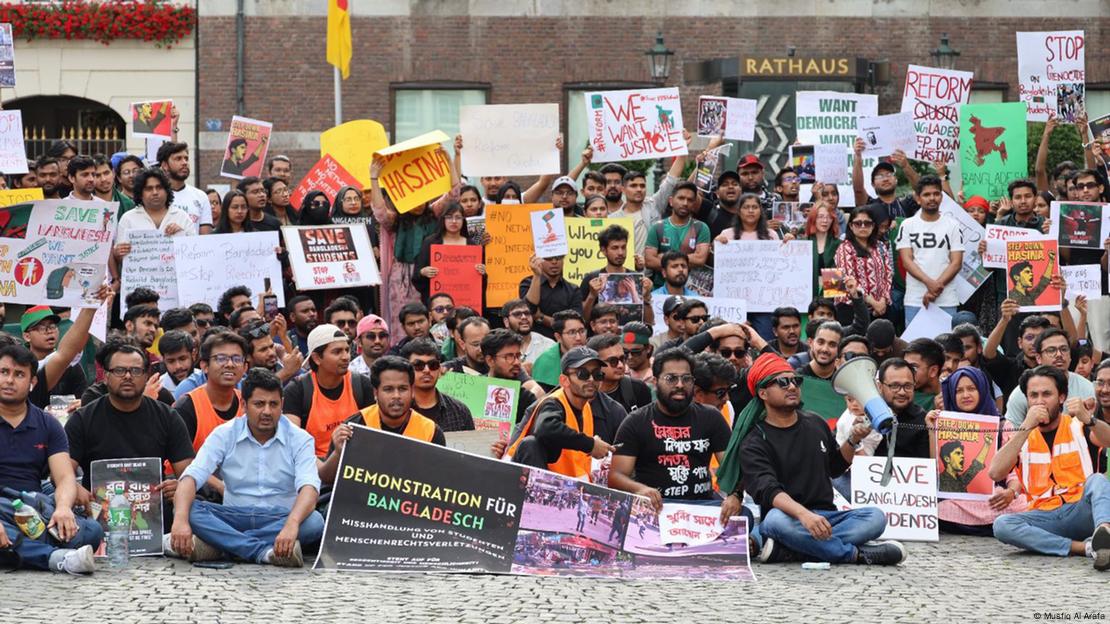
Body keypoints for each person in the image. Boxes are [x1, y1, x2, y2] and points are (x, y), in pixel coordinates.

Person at [717, 352, 904, 565]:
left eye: (796, 380)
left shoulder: (815, 422)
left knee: (876, 518)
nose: (792, 386)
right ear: (763, 393)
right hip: (788, 517)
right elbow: (769, 491)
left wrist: (853, 440)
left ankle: (790, 549)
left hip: (827, 517)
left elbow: (834, 467)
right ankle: (855, 555)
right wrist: (805, 516)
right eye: (782, 382)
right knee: (775, 521)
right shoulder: (754, 441)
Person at [168, 368, 322, 567]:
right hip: (233, 516)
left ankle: (222, 545)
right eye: (259, 404)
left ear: (282, 405)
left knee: (315, 522)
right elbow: (190, 477)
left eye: (273, 404)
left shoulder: (300, 438)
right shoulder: (224, 434)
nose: (267, 411)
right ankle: (263, 551)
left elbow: (309, 487)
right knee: (188, 510)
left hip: (281, 517)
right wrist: (180, 520)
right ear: (243, 405)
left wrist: (292, 524)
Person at [990, 366, 1110, 569]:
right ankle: (1086, 548)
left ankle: (1105, 532)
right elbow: (995, 472)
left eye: (1047, 394)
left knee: (1097, 480)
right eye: (1033, 395)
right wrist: (1025, 427)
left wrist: (1089, 419)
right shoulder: (1021, 436)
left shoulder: (1077, 425)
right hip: (1045, 515)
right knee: (1002, 525)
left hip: (1081, 509)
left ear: (1061, 397)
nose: (1039, 401)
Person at [65, 341, 195, 525]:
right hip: (96, 514)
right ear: (106, 376)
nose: (127, 376)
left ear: (146, 376)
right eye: (119, 371)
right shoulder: (83, 418)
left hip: (155, 515)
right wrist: (74, 487)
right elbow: (62, 472)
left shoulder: (168, 416)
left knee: (197, 511)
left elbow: (189, 473)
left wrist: (180, 486)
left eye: (135, 371)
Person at [0, 344, 101, 574]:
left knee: (92, 531)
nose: (9, 380)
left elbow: (65, 476)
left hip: (32, 507)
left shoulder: (48, 424)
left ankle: (16, 550)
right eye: (3, 372)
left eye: (18, 374)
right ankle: (56, 557)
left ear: (32, 382)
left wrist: (64, 508)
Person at [609, 348, 733, 514]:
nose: (680, 385)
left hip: (704, 507)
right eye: (671, 379)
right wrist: (641, 489)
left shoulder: (712, 417)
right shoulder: (636, 421)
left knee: (744, 513)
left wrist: (736, 496)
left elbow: (732, 468)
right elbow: (616, 476)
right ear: (655, 381)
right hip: (656, 508)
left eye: (686, 379)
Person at [924, 367, 1024, 536]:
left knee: (1020, 504)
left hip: (992, 495)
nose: (965, 395)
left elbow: (1013, 473)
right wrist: (932, 431)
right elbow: (938, 470)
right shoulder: (944, 423)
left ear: (983, 390)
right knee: (940, 507)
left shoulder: (1002, 426)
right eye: (959, 391)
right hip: (958, 499)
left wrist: (1011, 492)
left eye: (972, 389)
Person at [324, 356, 448, 483]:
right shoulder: (355, 426)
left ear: (412, 391)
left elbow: (438, 483)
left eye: (402, 389)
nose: (396, 396)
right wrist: (338, 453)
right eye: (388, 389)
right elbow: (326, 479)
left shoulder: (430, 431)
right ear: (376, 393)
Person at [504, 347, 618, 480]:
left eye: (598, 374)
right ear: (564, 380)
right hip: (518, 483)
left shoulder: (586, 406)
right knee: (531, 444)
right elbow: (546, 428)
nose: (591, 379)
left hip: (565, 486)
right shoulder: (553, 403)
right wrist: (590, 444)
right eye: (583, 374)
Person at [282, 324, 374, 457]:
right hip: (312, 466)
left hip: (354, 462)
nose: (345, 357)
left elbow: (372, 435)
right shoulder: (297, 390)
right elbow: (293, 443)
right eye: (337, 352)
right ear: (316, 358)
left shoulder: (361, 384)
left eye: (347, 350)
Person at [895, 175, 963, 323]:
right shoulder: (907, 225)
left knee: (946, 345)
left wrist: (935, 288)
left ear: (941, 196)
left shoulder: (953, 225)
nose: (932, 198)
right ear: (918, 198)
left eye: (936, 193)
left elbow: (956, 263)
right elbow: (906, 261)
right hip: (915, 299)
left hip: (947, 299)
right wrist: (930, 284)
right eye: (926, 194)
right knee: (915, 345)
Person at [1004, 328, 1096, 427]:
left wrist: (1088, 419)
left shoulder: (1089, 388)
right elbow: (1010, 438)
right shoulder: (1020, 393)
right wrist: (1028, 425)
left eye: (1064, 349)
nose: (1059, 355)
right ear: (1038, 358)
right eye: (1051, 350)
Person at [173, 333, 248, 453]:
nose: (229, 364)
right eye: (221, 359)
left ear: (245, 368)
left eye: (237, 359)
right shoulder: (186, 408)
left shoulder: (248, 403)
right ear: (205, 366)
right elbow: (180, 465)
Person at [114, 168, 196, 275]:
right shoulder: (128, 219)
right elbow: (121, 259)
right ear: (140, 193)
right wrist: (117, 253)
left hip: (175, 285)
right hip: (139, 284)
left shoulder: (182, 217)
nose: (155, 192)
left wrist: (182, 234)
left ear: (167, 190)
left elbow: (194, 254)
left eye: (159, 187)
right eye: (149, 188)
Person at [644, 182, 711, 292]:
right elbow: (650, 261)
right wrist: (688, 259)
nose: (685, 203)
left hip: (690, 291)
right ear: (671, 201)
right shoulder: (657, 227)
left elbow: (700, 259)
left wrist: (664, 257)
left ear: (694, 204)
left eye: (690, 200)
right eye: (681, 198)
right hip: (660, 289)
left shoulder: (701, 227)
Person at [400, 339, 474, 432]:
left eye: (433, 365)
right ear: (406, 369)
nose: (427, 370)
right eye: (418, 365)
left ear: (440, 368)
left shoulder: (460, 411)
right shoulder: (396, 409)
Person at [835, 206, 893, 321]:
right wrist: (872, 301)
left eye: (867, 223)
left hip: (880, 309)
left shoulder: (880, 246)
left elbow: (888, 275)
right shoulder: (844, 248)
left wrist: (883, 300)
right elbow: (848, 280)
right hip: (852, 309)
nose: (863, 226)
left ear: (873, 226)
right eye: (858, 223)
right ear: (851, 226)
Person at [20, 306, 87, 402]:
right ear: (27, 336)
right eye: (42, 328)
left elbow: (82, 399)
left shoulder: (71, 365)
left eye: (52, 326)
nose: (50, 331)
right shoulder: (21, 365)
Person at [873, 359, 931, 459]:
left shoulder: (923, 420)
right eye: (895, 386)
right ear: (880, 387)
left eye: (908, 386)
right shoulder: (869, 415)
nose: (902, 392)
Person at [520, 254, 582, 340]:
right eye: (548, 258)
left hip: (564, 343)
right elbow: (530, 310)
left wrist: (540, 317)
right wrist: (537, 275)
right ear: (539, 260)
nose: (554, 262)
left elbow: (574, 322)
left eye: (558, 258)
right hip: (534, 343)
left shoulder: (573, 289)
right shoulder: (527, 283)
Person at [157, 142, 214, 234]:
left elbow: (206, 239)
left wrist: (184, 232)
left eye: (186, 159)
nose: (184, 163)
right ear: (165, 165)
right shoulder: (156, 196)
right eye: (178, 159)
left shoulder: (201, 196)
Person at [587, 334, 652, 414]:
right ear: (595, 364)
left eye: (622, 359)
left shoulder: (637, 388)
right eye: (613, 361)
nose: (620, 365)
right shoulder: (584, 392)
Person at [529, 311, 589, 391]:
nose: (578, 338)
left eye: (582, 331)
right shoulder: (545, 361)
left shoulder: (594, 355)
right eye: (572, 333)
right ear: (558, 337)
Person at [502, 299, 555, 365]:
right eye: (517, 314)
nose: (524, 317)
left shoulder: (548, 346)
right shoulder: (499, 347)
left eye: (527, 313)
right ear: (506, 321)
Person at [903, 337, 944, 409]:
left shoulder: (955, 393)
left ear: (933, 371)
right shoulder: (903, 396)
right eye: (904, 365)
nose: (906, 372)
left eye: (913, 368)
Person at [158, 330, 199, 396]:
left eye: (182, 359)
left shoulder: (206, 382)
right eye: (171, 361)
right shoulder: (158, 390)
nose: (178, 366)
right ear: (163, 360)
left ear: (193, 355)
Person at [349, 314, 389, 379]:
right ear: (359, 342)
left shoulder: (395, 368)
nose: (377, 341)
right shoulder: (350, 372)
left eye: (382, 336)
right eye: (371, 336)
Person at [620, 322, 655, 388]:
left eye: (636, 352)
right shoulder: (619, 371)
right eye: (625, 352)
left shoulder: (659, 370)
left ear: (648, 349)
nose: (630, 357)